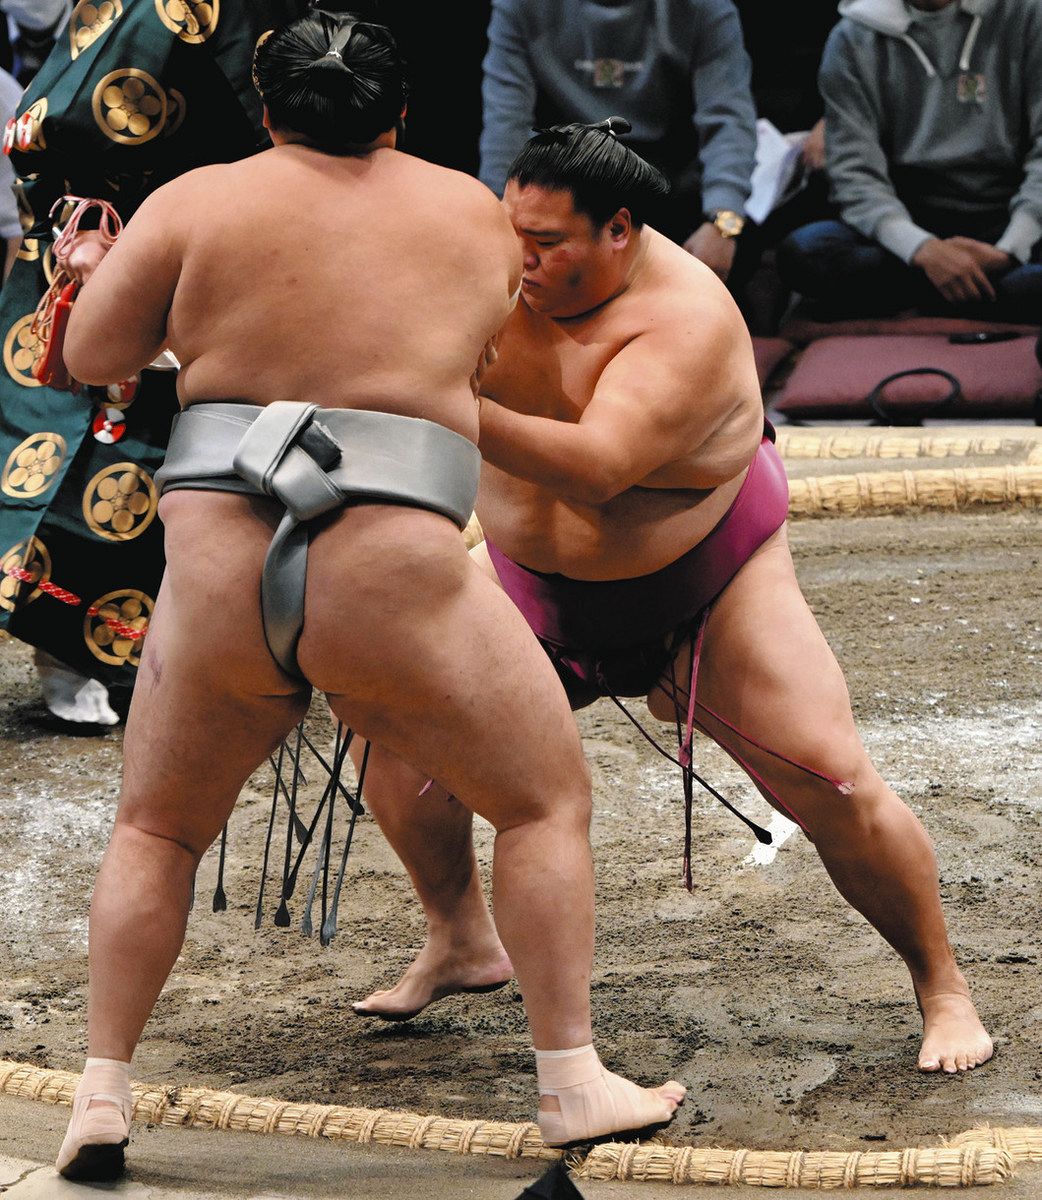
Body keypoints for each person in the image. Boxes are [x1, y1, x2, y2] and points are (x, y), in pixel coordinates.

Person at [51, 17, 684, 1182]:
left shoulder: (194, 202)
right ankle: (573, 1080)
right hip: (392, 571)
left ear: (263, 106)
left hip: (220, 571)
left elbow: (93, 356)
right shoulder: (468, 214)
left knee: (156, 828)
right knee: (544, 804)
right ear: (401, 113)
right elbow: (485, 357)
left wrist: (91, 277)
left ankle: (99, 1093)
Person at [349, 120, 994, 1083]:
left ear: (620, 230)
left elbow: (604, 468)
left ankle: (942, 985)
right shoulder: (486, 268)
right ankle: (459, 936)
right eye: (510, 229)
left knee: (831, 778)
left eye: (548, 242)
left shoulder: (687, 317)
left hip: (706, 579)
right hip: (530, 576)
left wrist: (443, 399)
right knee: (392, 734)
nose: (519, 258)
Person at [0, 0, 308, 724]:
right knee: (107, 452)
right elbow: (60, 123)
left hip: (213, 243)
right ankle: (76, 649)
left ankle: (151, 648)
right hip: (122, 244)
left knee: (185, 459)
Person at [777, 0, 1042, 321]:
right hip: (910, 221)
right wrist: (923, 250)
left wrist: (1011, 250)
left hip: (1010, 214)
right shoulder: (851, 37)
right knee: (805, 254)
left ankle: (941, 294)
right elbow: (855, 175)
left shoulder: (1028, 14)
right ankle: (983, 294)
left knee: (1027, 276)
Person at [479, 0, 757, 283]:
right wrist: (498, 218)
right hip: (562, 184)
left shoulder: (705, 9)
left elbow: (728, 118)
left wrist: (723, 222)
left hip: (670, 190)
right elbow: (506, 121)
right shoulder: (520, 6)